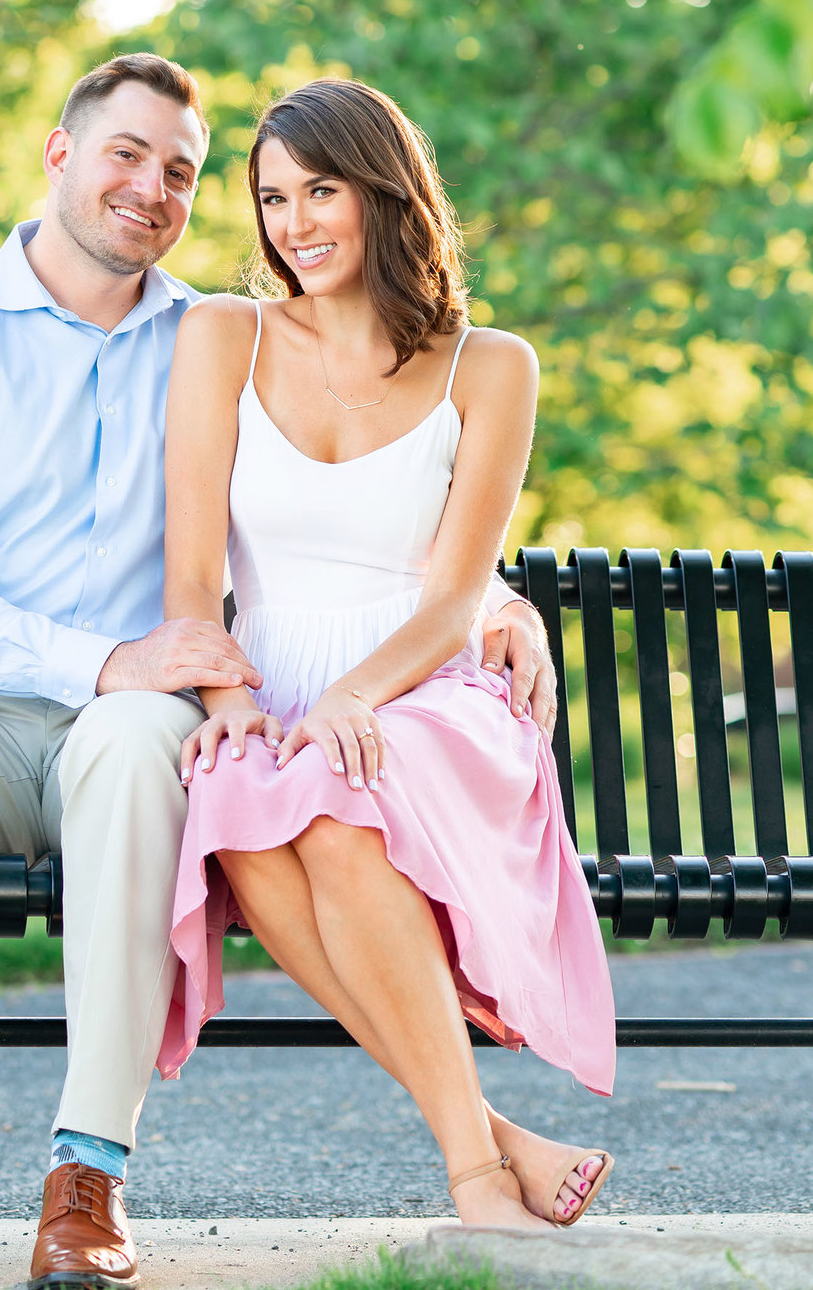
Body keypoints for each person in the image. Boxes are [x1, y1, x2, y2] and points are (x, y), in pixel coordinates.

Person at [0, 54, 560, 1290]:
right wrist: (106, 657)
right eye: (127, 154)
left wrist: (497, 599)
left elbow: (351, 503)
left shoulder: (217, 340)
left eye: (180, 173)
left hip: (134, 724)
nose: (151, 188)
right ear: (60, 155)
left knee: (143, 752)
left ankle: (87, 1177)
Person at [160, 77, 614, 1230]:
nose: (294, 223)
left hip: (427, 690)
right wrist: (224, 699)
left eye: (322, 191)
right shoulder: (223, 334)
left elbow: (458, 593)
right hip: (269, 685)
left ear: (385, 194)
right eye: (271, 198)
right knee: (237, 795)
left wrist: (351, 700)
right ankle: (493, 1140)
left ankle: (471, 1183)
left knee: (332, 800)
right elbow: (188, 571)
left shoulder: (489, 365)